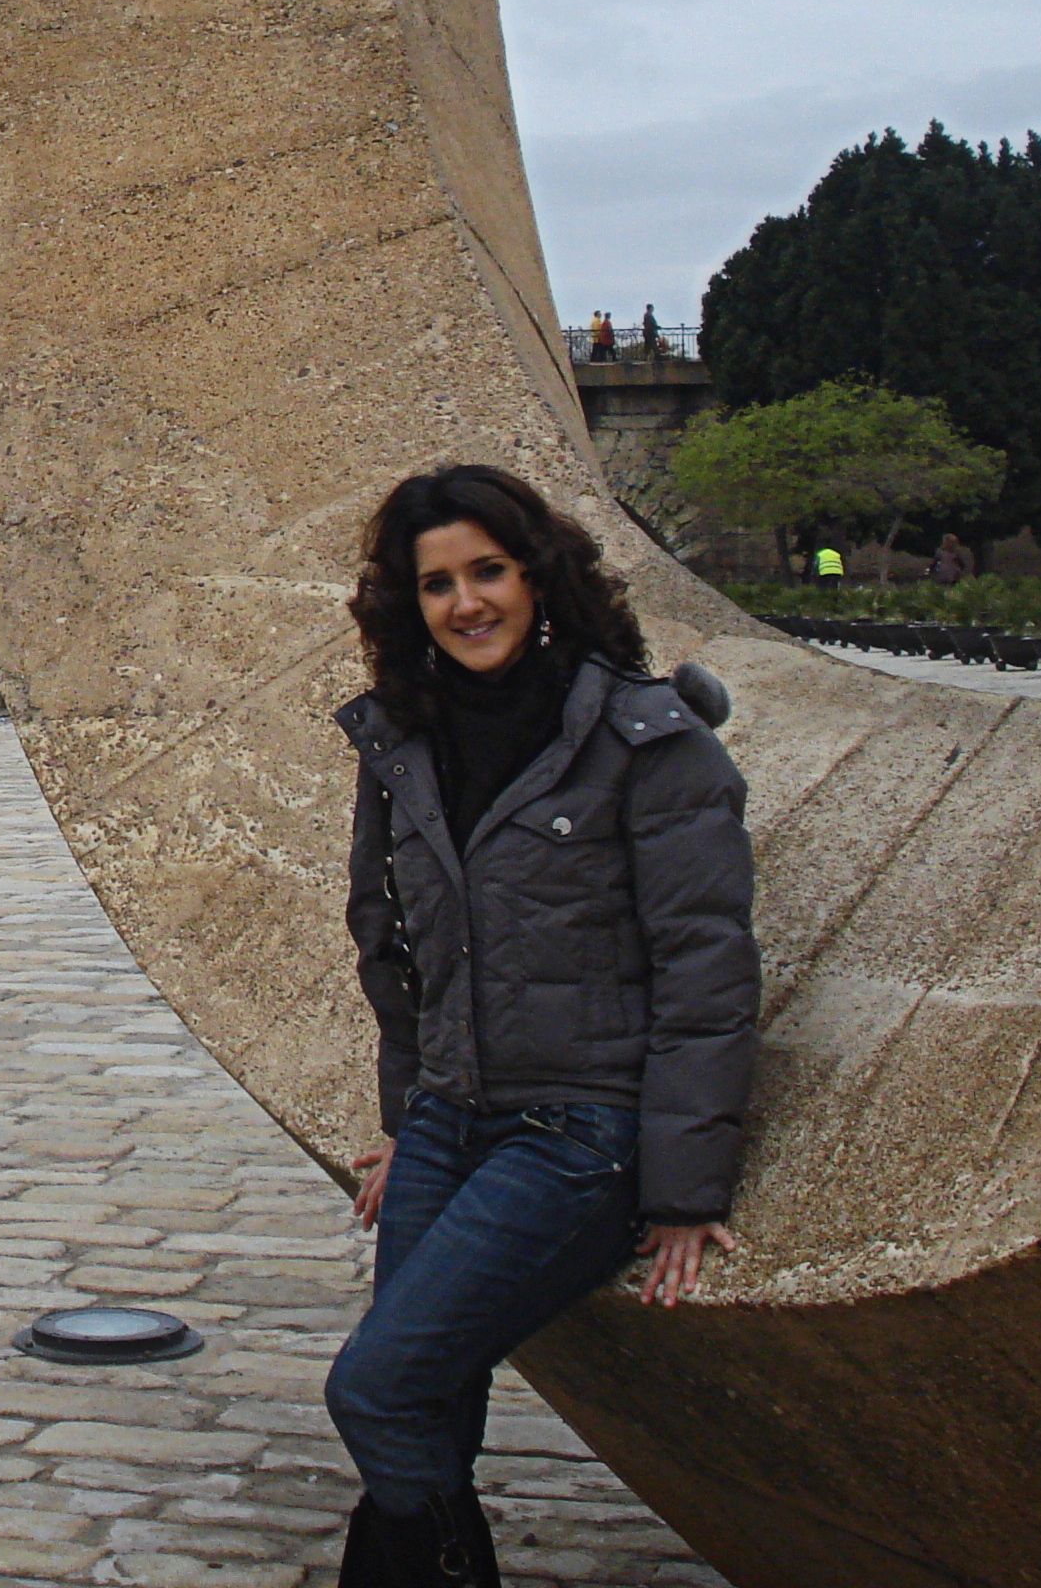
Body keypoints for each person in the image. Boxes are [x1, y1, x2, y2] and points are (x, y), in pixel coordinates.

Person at [326, 463, 755, 1585]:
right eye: (437, 585)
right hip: (449, 1122)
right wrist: (407, 1119)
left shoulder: (648, 740)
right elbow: (396, 949)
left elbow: (706, 969)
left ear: (539, 578)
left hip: (577, 1136)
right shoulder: (402, 743)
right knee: (429, 1400)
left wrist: (684, 1191)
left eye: (489, 572)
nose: (466, 603)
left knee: (376, 1387)